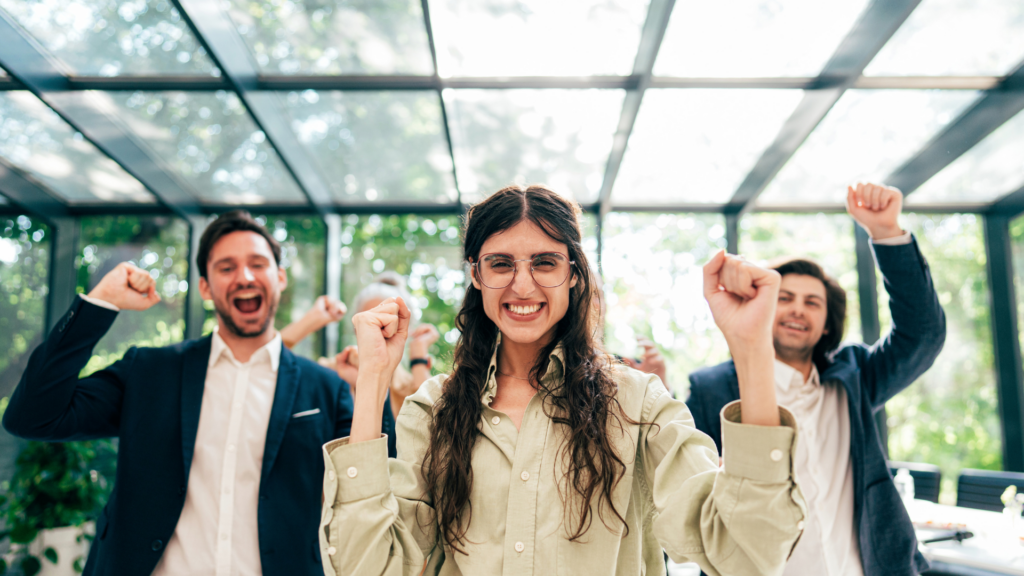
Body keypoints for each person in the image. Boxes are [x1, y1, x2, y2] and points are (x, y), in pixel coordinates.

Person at [318, 184, 806, 576]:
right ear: (475, 275)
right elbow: (368, 566)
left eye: (545, 263)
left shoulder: (638, 402)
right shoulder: (434, 407)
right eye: (501, 263)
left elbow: (745, 555)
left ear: (574, 274)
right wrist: (373, 381)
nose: (523, 285)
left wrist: (752, 351)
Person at [3, 210, 354, 576]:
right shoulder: (149, 372)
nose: (245, 277)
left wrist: (376, 379)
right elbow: (32, 416)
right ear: (205, 287)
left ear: (279, 278)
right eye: (226, 267)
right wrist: (101, 302)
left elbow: (383, 478)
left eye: (258, 264)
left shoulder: (327, 389)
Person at [686, 183, 946, 576]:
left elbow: (923, 334)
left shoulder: (855, 377)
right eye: (784, 298)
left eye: (813, 302)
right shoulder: (711, 389)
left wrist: (886, 232)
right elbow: (691, 500)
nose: (797, 310)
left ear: (827, 324)